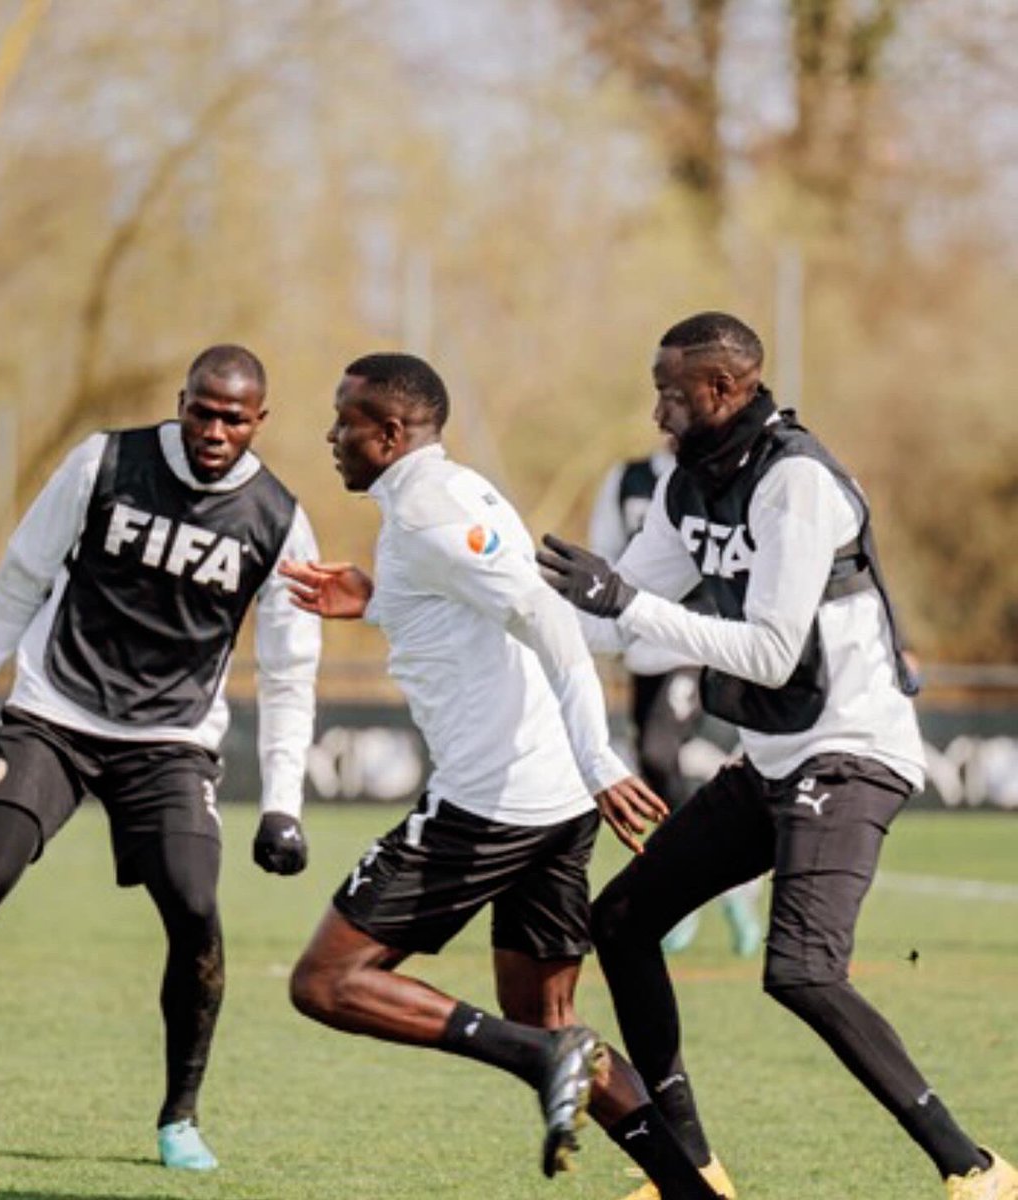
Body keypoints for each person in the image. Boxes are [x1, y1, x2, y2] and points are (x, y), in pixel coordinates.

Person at [538, 311, 1016, 1200]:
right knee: (623, 921)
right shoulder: (690, 483)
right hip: (772, 761)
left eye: (670, 392)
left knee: (801, 970)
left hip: (851, 754)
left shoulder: (797, 484)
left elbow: (769, 649)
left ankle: (977, 1169)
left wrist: (626, 606)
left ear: (722, 390)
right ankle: (694, 1171)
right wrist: (441, 605)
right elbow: (614, 622)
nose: (656, 412)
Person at [0, 345, 321, 1171]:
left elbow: (293, 672)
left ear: (260, 421)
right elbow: (19, 578)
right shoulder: (106, 460)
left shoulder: (278, 519)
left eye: (235, 417)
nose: (215, 429)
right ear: (181, 400)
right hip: (54, 716)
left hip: (170, 742)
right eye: (202, 409)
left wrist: (284, 807)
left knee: (195, 908)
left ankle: (180, 1118)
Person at [279, 352, 726, 1199]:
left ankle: (538, 1058)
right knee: (547, 1014)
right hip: (549, 801)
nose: (331, 435)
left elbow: (547, 619)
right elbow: (481, 612)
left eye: (344, 421)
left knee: (327, 983)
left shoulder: (431, 510)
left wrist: (602, 758)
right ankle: (692, 1191)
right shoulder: (442, 496)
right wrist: (376, 600)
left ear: (390, 432)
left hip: (496, 803)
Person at [589, 450, 761, 957]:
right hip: (640, 645)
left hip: (692, 640)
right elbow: (606, 551)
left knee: (666, 755)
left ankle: (689, 890)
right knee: (655, 769)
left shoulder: (720, 474)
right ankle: (723, 887)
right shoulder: (627, 476)